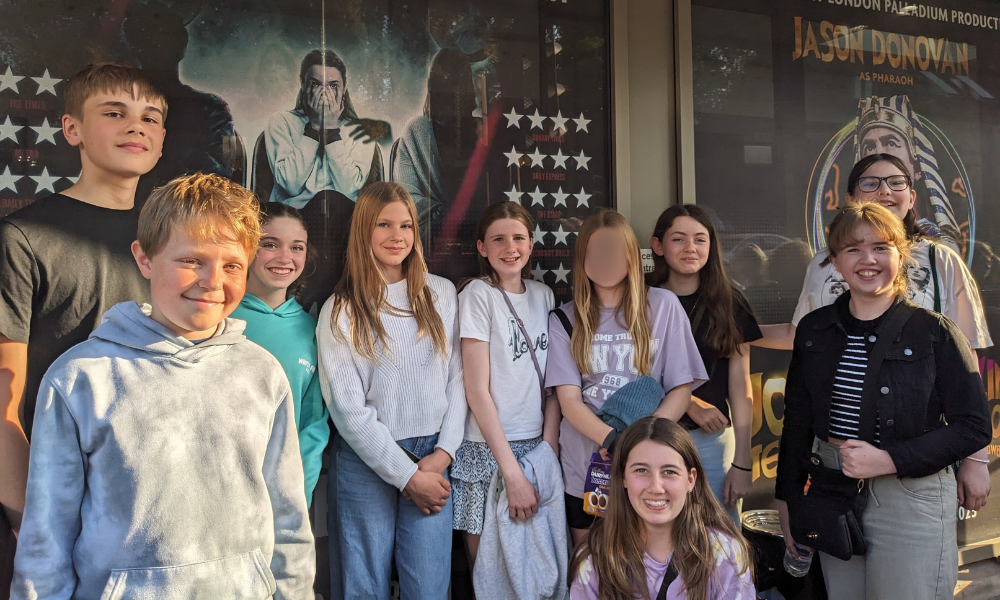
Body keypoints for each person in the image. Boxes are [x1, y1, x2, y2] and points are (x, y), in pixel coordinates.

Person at [11, 174, 316, 598]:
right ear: (145, 259)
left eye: (231, 265)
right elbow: (47, 536)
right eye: (192, 260)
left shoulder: (262, 373)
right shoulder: (81, 378)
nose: (213, 281)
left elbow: (288, 519)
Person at [776, 201, 990, 600]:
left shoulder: (935, 332)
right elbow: (797, 422)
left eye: (880, 247)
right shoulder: (814, 330)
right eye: (853, 249)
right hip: (831, 492)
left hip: (912, 497)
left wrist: (889, 459)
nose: (867, 259)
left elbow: (973, 426)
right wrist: (787, 499)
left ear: (901, 256)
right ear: (835, 262)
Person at [0, 62, 166, 535]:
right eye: (114, 113)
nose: (136, 125)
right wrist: (32, 518)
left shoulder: (176, 241)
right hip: (63, 503)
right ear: (72, 128)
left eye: (150, 117)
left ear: (162, 138)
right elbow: (3, 406)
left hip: (156, 499)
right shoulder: (24, 238)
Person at [790, 153, 993, 511]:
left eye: (896, 182)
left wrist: (975, 461)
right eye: (870, 182)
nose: (884, 190)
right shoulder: (823, 263)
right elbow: (804, 339)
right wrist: (736, 332)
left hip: (916, 462)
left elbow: (966, 358)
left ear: (911, 197)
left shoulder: (939, 259)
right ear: (851, 198)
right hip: (837, 472)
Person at [317, 181, 466, 599]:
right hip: (367, 461)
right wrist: (405, 476)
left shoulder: (440, 293)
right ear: (364, 230)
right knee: (363, 587)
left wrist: (444, 453)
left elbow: (458, 379)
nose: (397, 236)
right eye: (384, 225)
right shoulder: (341, 309)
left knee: (430, 586)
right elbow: (348, 410)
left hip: (434, 455)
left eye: (406, 225)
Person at [545, 208, 708, 545]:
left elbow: (680, 387)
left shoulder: (663, 306)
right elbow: (569, 401)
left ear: (632, 257)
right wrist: (612, 440)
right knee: (590, 565)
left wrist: (641, 441)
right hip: (587, 468)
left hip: (649, 469)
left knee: (647, 564)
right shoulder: (564, 319)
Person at [452, 201, 560, 565]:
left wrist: (548, 447)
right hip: (488, 449)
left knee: (531, 565)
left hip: (535, 446)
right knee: (488, 568)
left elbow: (552, 383)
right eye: (498, 239)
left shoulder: (544, 295)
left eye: (518, 238)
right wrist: (511, 473)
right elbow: (476, 392)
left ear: (531, 245)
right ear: (482, 248)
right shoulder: (477, 296)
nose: (509, 248)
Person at [648, 205, 761, 525]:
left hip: (711, 443)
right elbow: (629, 372)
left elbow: (740, 386)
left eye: (700, 239)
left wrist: (742, 461)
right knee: (658, 535)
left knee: (719, 539)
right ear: (658, 246)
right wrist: (691, 402)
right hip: (654, 436)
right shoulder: (641, 298)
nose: (690, 248)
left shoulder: (730, 300)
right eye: (678, 239)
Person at [568, 416, 756, 599]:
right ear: (623, 477)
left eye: (669, 472)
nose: (656, 488)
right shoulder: (595, 559)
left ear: (690, 480)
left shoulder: (724, 553)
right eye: (641, 470)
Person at [264, 49, 387, 310]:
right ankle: (323, 304)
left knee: (330, 200)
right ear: (303, 87)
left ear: (343, 91)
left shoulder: (357, 130)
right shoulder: (282, 122)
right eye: (315, 84)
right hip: (295, 219)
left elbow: (349, 186)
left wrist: (331, 130)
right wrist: (313, 129)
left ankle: (316, 302)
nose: (325, 93)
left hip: (341, 225)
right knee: (322, 203)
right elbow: (289, 183)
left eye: (333, 86)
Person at [230, 202, 329, 506]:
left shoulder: (313, 331)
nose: (285, 257)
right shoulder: (218, 317)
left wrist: (298, 498)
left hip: (282, 501)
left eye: (296, 247)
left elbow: (312, 425)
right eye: (270, 244)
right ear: (246, 247)